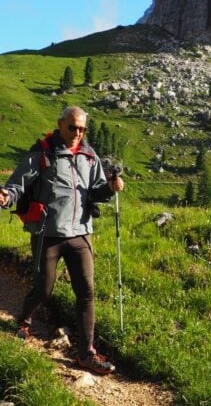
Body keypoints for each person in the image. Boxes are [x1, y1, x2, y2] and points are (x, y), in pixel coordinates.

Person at [0, 106, 124, 375]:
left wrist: (111, 188)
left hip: (80, 233)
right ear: (60, 125)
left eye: (82, 129)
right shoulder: (43, 152)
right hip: (49, 233)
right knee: (44, 288)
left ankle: (86, 353)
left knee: (87, 293)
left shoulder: (90, 156)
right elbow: (17, 184)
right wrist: (6, 196)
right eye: (72, 128)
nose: (77, 133)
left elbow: (97, 191)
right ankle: (23, 319)